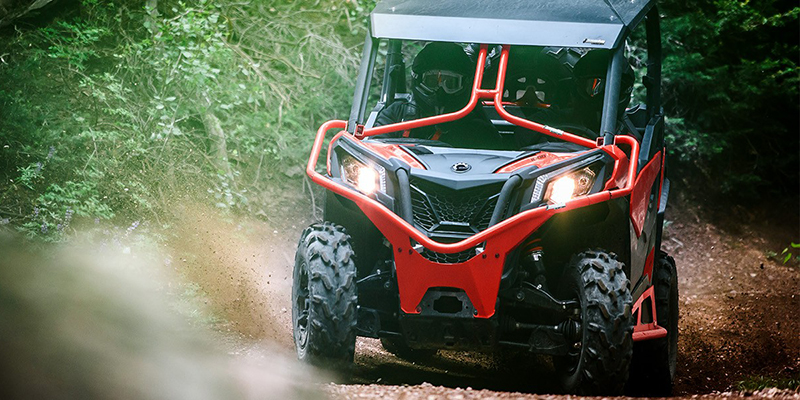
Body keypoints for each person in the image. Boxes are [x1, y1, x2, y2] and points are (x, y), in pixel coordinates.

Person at [373, 42, 504, 149]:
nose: (440, 90)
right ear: (417, 79)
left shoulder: (478, 128)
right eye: (432, 81)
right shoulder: (396, 114)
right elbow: (374, 151)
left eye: (451, 83)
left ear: (465, 84)